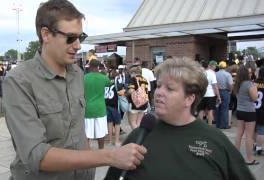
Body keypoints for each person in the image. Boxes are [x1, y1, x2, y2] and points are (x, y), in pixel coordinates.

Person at [2, 1, 146, 179]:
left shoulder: (77, 74)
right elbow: (36, 155)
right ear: (46, 34)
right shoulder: (19, 81)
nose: (78, 45)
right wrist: (109, 156)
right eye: (70, 37)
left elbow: (78, 131)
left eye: (81, 37)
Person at [105, 57, 255, 180]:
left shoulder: (215, 141)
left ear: (189, 99)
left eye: (169, 88)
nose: (159, 93)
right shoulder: (140, 135)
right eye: (158, 86)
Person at [234, 65, 259, 165]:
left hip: (239, 111)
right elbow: (255, 98)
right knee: (249, 136)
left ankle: (235, 157)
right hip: (249, 112)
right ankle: (249, 159)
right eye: (249, 73)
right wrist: (255, 88)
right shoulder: (249, 84)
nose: (251, 74)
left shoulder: (237, 84)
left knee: (239, 134)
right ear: (245, 74)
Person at [84, 60, 110, 149]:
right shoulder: (104, 78)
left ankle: (87, 153)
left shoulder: (84, 78)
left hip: (87, 108)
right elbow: (110, 87)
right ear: (98, 66)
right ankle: (101, 151)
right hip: (100, 108)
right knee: (101, 132)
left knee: (86, 133)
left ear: (89, 66)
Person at [198, 60, 221, 125]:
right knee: (210, 110)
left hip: (201, 94)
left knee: (201, 110)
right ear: (209, 66)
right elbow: (215, 86)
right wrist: (218, 96)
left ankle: (200, 126)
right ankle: (210, 126)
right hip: (210, 95)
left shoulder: (200, 73)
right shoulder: (212, 73)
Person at [215, 61, 233, 129]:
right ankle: (224, 125)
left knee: (217, 108)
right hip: (225, 92)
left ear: (219, 67)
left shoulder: (215, 74)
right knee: (225, 108)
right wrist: (230, 91)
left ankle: (218, 124)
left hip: (217, 92)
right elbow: (230, 84)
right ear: (225, 67)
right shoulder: (227, 74)